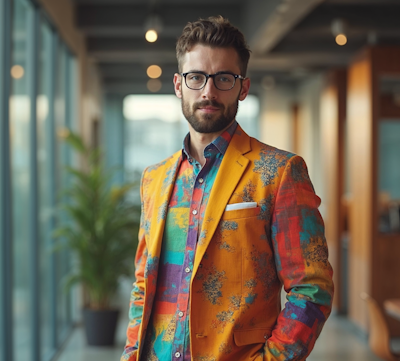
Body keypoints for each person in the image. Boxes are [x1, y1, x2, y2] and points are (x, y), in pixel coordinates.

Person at [122, 15, 333, 361]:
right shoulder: (154, 179)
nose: (208, 91)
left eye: (223, 78)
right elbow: (144, 284)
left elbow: (312, 288)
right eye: (196, 77)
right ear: (178, 84)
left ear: (243, 88)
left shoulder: (279, 173)